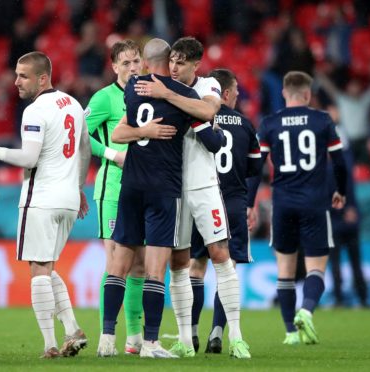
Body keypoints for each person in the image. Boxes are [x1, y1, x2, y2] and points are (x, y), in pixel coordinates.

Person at [98, 38, 221, 359]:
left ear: (145, 60)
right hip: (163, 187)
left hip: (131, 185)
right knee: (154, 270)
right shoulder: (184, 92)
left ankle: (107, 337)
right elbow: (207, 113)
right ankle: (150, 343)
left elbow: (118, 133)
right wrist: (161, 113)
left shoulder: (134, 87)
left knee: (118, 264)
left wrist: (142, 130)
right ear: (171, 60)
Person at [134, 38, 251, 359]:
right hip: (172, 187)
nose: (174, 67)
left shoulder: (208, 85)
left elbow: (209, 109)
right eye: (172, 61)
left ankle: (237, 337)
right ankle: (186, 339)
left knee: (219, 254)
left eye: (182, 62)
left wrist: (168, 95)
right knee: (179, 262)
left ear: (196, 65)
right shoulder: (161, 87)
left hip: (203, 185)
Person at [0, 51, 91, 358]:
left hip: (41, 198)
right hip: (67, 199)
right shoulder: (74, 105)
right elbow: (85, 150)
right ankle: (72, 330)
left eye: (23, 76)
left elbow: (28, 158)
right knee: (48, 267)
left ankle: (50, 346)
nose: (16, 82)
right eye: (16, 74)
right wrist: (78, 189)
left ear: (43, 78)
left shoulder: (36, 111)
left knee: (38, 269)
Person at [248, 71, 347, 345]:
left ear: (283, 93)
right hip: (315, 202)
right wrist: (341, 191)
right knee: (316, 269)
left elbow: (256, 168)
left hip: (282, 204)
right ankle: (306, 310)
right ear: (308, 94)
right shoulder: (322, 120)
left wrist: (249, 203)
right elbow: (339, 162)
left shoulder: (269, 123)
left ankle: (290, 332)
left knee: (285, 271)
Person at [188, 68, 261, 355]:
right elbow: (256, 168)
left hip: (202, 196)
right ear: (227, 93)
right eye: (237, 91)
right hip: (232, 202)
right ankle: (217, 332)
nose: (240, 95)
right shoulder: (245, 124)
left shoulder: (199, 116)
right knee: (226, 270)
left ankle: (190, 332)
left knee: (196, 267)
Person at [85, 39, 146, 354]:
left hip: (144, 192)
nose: (133, 68)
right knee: (115, 264)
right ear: (114, 67)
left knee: (139, 267)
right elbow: (80, 135)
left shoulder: (151, 94)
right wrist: (111, 153)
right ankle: (106, 337)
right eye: (126, 63)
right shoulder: (105, 98)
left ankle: (134, 338)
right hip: (112, 191)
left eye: (136, 61)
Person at [328, 140, 368, 307]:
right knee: (350, 262)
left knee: (341, 262)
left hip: (337, 220)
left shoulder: (325, 167)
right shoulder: (345, 163)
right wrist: (349, 209)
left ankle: (341, 298)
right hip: (342, 218)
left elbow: (325, 194)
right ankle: (359, 298)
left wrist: (348, 210)